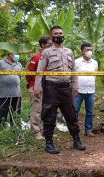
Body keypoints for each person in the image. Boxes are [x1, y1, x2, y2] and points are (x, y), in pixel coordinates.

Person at [34, 26, 85, 154]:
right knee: (49, 115)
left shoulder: (69, 51)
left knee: (71, 115)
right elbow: (40, 71)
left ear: (64, 35)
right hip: (51, 88)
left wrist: (75, 85)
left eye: (61, 33)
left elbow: (73, 70)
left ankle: (76, 140)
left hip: (66, 88)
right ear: (52, 37)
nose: (59, 35)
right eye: (56, 33)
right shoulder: (46, 52)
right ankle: (49, 143)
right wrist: (37, 87)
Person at [26, 36, 52, 140]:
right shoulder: (37, 57)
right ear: (42, 45)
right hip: (36, 87)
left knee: (46, 110)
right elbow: (28, 74)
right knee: (36, 110)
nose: (51, 46)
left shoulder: (50, 58)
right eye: (49, 44)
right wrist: (33, 85)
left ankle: (45, 132)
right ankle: (36, 132)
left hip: (48, 87)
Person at [74, 42, 98, 137]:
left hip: (91, 90)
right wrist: (74, 87)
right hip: (78, 91)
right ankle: (75, 130)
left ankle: (88, 130)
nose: (89, 51)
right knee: (75, 110)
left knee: (90, 112)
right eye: (87, 50)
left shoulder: (95, 63)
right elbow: (72, 76)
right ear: (82, 51)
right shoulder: (76, 62)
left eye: (90, 49)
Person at [0, 52, 22, 124]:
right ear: (8, 55)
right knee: (2, 112)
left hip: (16, 93)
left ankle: (15, 127)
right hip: (3, 93)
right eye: (14, 53)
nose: (16, 55)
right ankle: (2, 127)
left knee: (16, 112)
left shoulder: (19, 64)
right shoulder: (1, 63)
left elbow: (19, 76)